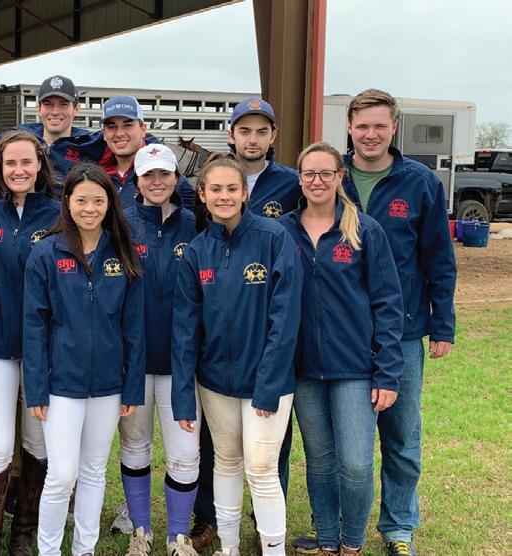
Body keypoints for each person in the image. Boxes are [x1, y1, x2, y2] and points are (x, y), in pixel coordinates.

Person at [340, 89, 455, 556]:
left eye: (380, 126)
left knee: (401, 434)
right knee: (345, 441)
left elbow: (439, 256)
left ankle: (398, 527)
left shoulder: (420, 182)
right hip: (343, 333)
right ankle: (340, 524)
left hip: (403, 331)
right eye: (362, 126)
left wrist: (442, 323)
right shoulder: (331, 177)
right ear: (349, 127)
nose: (371, 134)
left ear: (394, 127)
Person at [171, 152, 302, 556]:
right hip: (215, 383)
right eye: (216, 189)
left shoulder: (274, 238)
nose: (224, 196)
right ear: (202, 195)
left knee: (261, 469)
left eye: (232, 188)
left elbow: (285, 319)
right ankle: (229, 547)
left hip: (266, 382)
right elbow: (185, 330)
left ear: (245, 193)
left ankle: (273, 550)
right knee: (226, 462)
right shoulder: (197, 251)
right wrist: (183, 397)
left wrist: (269, 385)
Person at [279, 142, 404, 555]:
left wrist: (387, 372)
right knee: (319, 460)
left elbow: (388, 303)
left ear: (339, 177)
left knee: (355, 462)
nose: (317, 181)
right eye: (309, 173)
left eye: (326, 173)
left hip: (355, 369)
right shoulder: (283, 232)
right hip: (304, 369)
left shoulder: (365, 230)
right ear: (299, 178)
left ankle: (351, 543)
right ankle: (328, 540)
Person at [22, 163, 145, 556]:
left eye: (98, 200)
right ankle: (49, 550)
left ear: (110, 204)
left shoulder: (122, 252)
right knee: (62, 474)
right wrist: (36, 388)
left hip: (109, 384)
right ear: (67, 202)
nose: (90, 208)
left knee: (93, 471)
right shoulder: (46, 253)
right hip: (61, 383)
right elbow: (34, 326)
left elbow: (134, 326)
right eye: (81, 200)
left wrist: (132, 386)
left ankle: (84, 549)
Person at [0, 129, 61, 554]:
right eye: (10, 163)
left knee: (38, 444)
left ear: (40, 165)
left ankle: (25, 530)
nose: (19, 169)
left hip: (45, 351)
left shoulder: (60, 213)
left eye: (27, 161)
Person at [118, 144, 201, 556]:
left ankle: (178, 537)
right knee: (135, 448)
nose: (156, 182)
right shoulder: (121, 224)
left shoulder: (195, 225)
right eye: (148, 174)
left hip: (181, 362)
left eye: (164, 174)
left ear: (175, 177)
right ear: (136, 180)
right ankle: (140, 530)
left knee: (184, 453)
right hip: (133, 359)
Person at [98, 95, 196, 209]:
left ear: (143, 129)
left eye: (127, 125)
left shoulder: (172, 178)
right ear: (104, 133)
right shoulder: (96, 173)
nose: (119, 133)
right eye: (112, 127)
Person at [16, 74, 105, 181]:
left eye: (63, 104)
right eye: (48, 104)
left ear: (76, 108)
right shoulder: (17, 140)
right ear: (39, 108)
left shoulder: (92, 144)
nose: (55, 112)